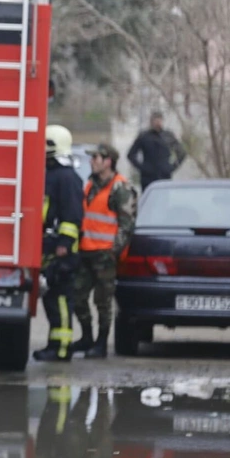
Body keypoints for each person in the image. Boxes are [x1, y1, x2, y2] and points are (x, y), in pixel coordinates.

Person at [73, 144, 136, 360]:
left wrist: (113, 251)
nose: (92, 161)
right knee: (78, 296)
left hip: (104, 255)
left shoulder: (121, 188)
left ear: (108, 161)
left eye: (96, 157)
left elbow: (126, 225)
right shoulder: (91, 185)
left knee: (103, 301)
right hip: (86, 251)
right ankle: (87, 337)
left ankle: (101, 343)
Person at [33, 125, 84, 363]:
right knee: (51, 299)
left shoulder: (67, 177)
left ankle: (63, 349)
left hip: (63, 251)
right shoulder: (51, 173)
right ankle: (54, 345)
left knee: (61, 300)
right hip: (51, 247)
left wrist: (64, 243)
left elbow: (72, 216)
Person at [126, 110, 186, 191]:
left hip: (164, 176)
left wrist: (171, 167)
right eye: (155, 120)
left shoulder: (168, 136)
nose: (158, 122)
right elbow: (131, 155)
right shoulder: (144, 136)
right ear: (151, 122)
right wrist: (142, 168)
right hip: (148, 178)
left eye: (159, 120)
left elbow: (181, 153)